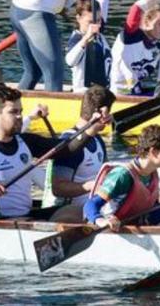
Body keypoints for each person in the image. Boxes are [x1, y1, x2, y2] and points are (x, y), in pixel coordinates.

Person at [0, 84, 107, 219]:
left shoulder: (26, 141)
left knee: (78, 212)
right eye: (13, 112)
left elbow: (65, 149)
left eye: (20, 111)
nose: (19, 116)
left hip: (25, 216)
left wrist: (92, 129)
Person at [83, 124, 160, 230]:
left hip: (136, 225)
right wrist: (100, 220)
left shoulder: (153, 174)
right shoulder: (122, 175)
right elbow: (90, 204)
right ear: (153, 152)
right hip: (110, 230)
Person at [44, 86, 116, 220]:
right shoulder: (69, 143)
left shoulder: (97, 138)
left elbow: (105, 174)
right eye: (109, 113)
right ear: (101, 113)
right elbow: (58, 188)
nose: (111, 118)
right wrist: (89, 186)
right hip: (67, 215)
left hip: (91, 210)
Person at [64, 0, 110, 92]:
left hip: (103, 91)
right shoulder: (76, 39)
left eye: (97, 20)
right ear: (78, 18)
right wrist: (86, 39)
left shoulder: (98, 29)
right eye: (90, 22)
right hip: (84, 95)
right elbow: (70, 61)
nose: (95, 25)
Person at [110, 2, 160, 96]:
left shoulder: (158, 48)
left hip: (137, 91)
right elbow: (136, 8)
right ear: (147, 22)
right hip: (119, 94)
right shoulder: (129, 37)